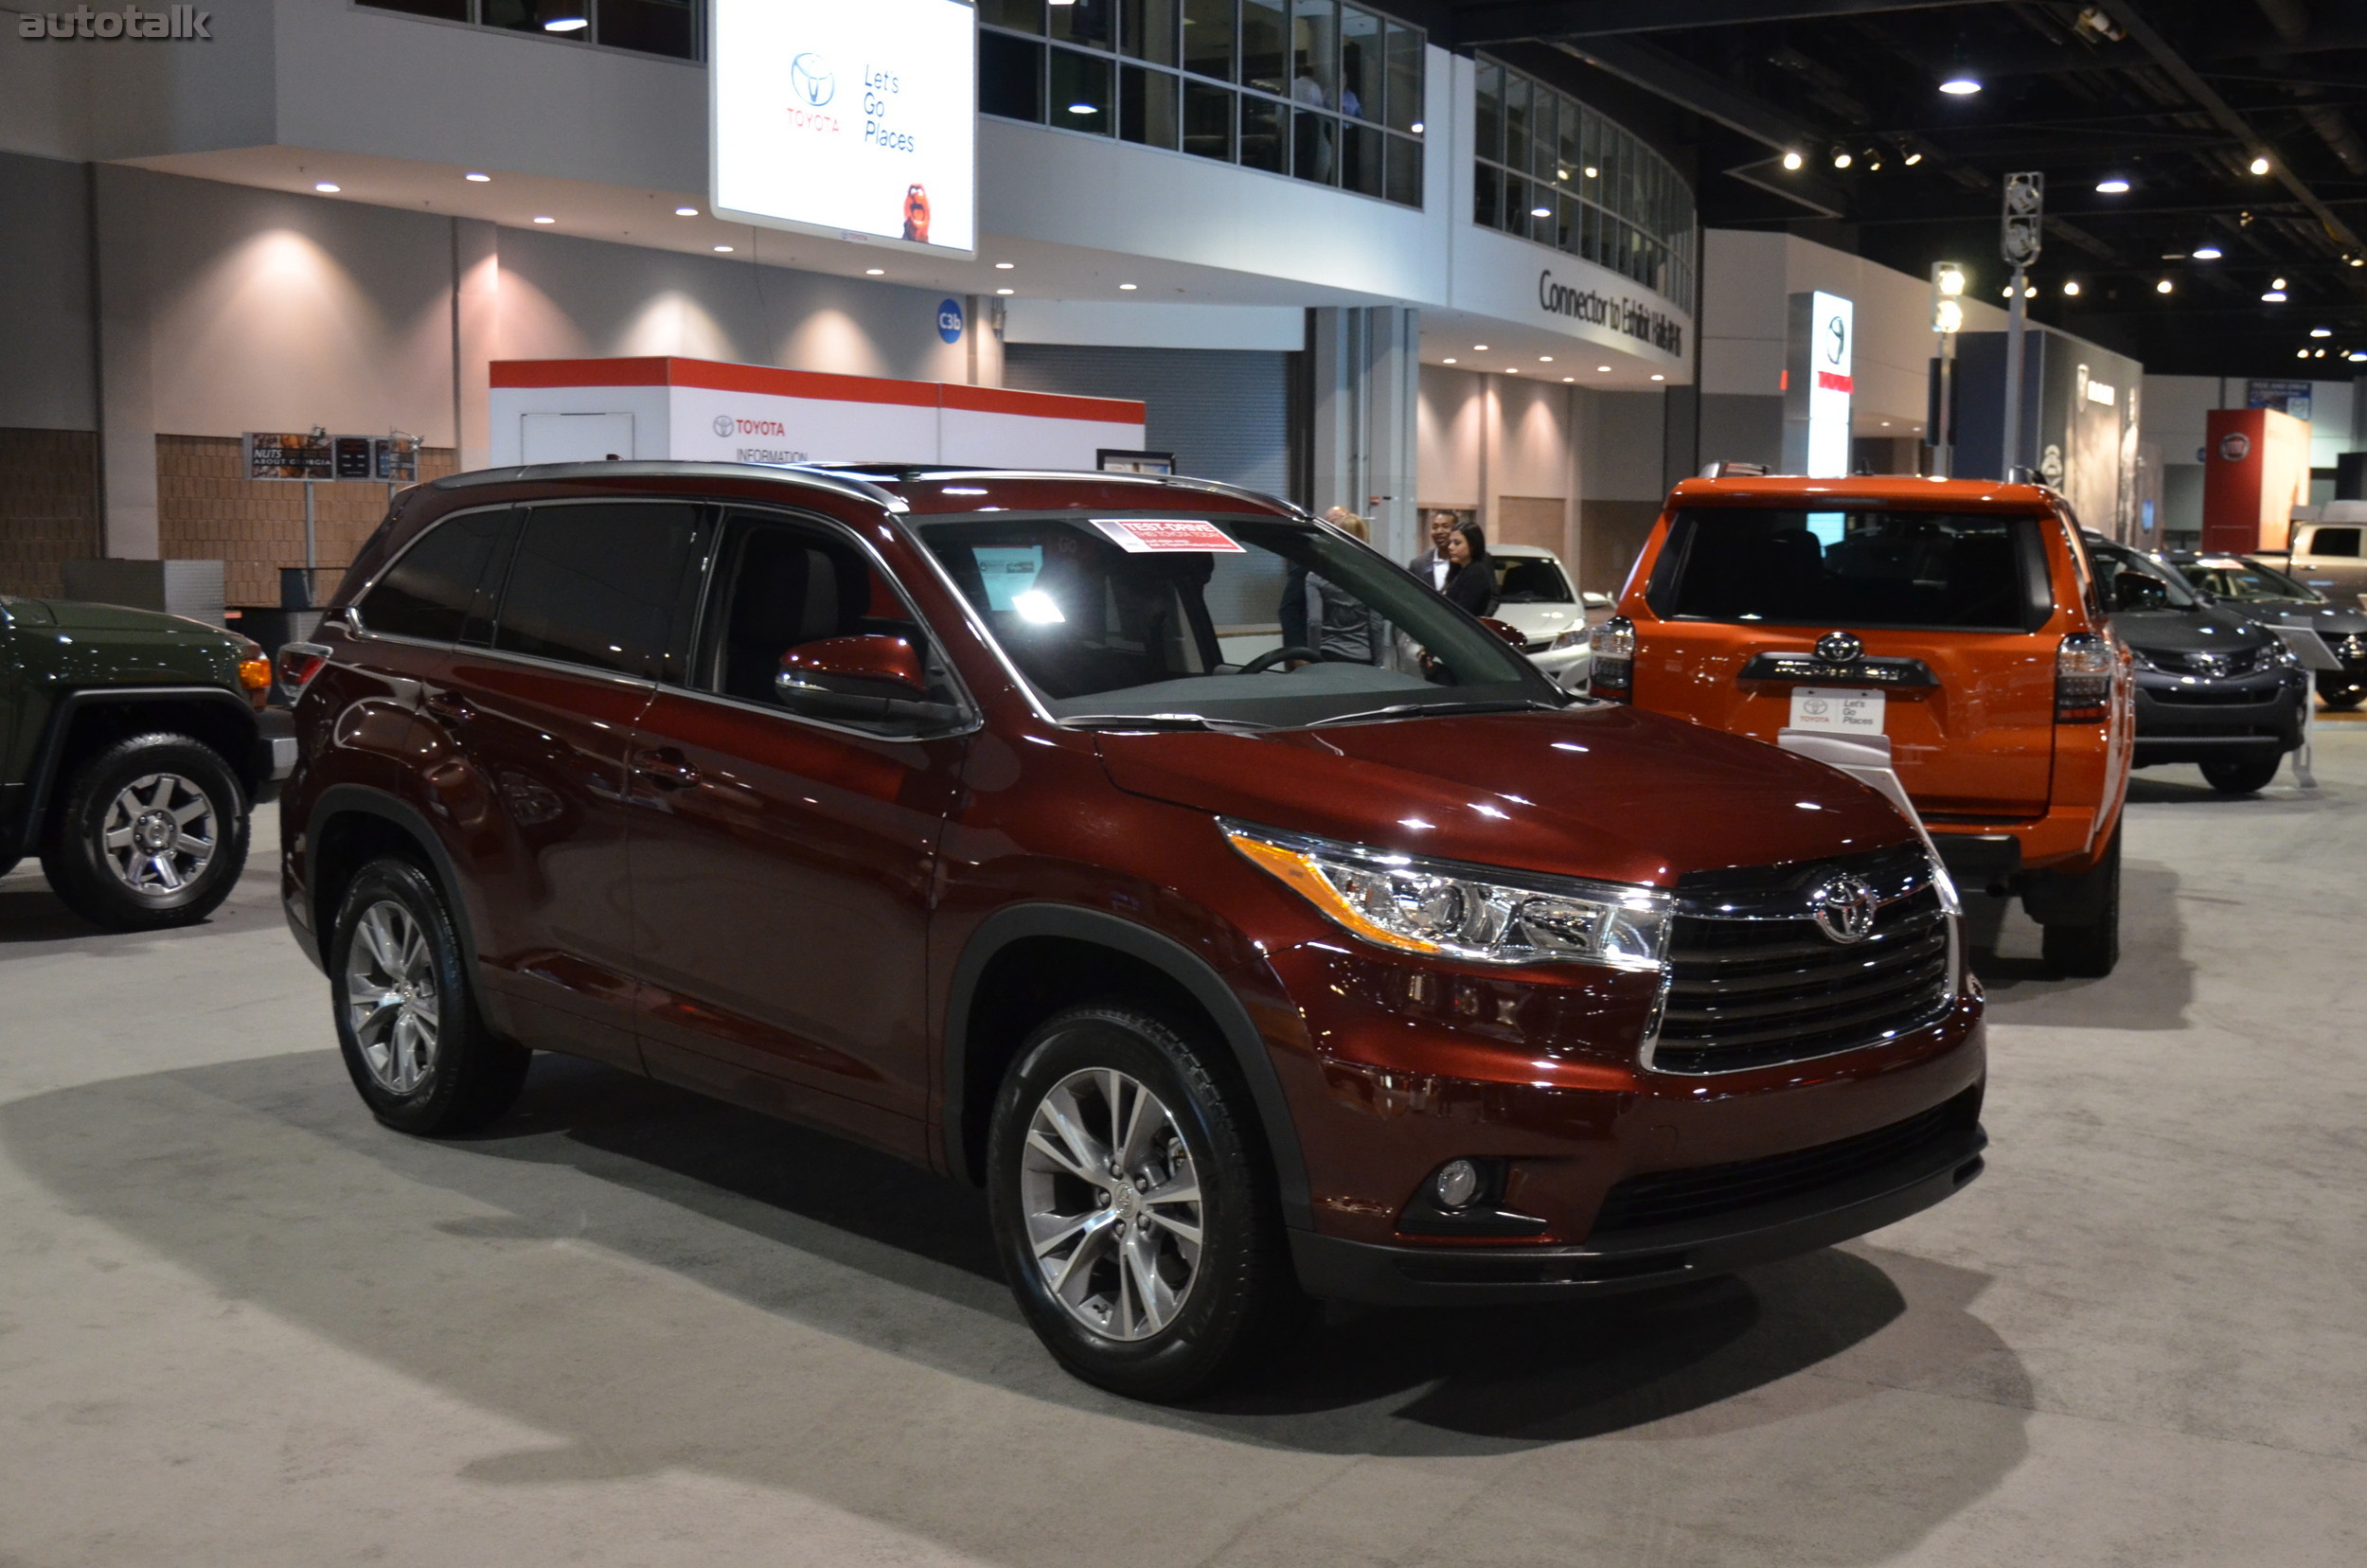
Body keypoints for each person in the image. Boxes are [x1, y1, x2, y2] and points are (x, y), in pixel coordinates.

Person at [1304, 511, 1387, 664]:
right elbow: (1376, 625)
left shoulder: (1315, 576)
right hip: (1362, 656)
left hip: (1329, 654)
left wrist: (1314, 660)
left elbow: (1314, 622)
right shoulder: (1373, 578)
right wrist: (1379, 663)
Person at [1442, 521, 1500, 617]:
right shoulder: (1460, 570)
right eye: (1450, 542)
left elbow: (1463, 612)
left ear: (1472, 545)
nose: (1450, 547)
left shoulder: (1475, 573)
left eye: (1457, 543)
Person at [1409, 510, 1457, 591]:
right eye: (1435, 527)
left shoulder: (1466, 562)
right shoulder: (1418, 565)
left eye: (1445, 526)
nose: (1439, 531)